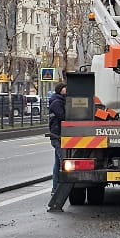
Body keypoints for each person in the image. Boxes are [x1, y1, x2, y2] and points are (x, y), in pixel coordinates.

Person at [45, 84, 69, 212]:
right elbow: (63, 117)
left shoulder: (58, 100)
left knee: (58, 163)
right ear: (61, 90)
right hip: (57, 136)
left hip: (58, 136)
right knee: (62, 163)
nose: (67, 89)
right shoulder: (56, 102)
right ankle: (58, 190)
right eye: (65, 88)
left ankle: (55, 189)